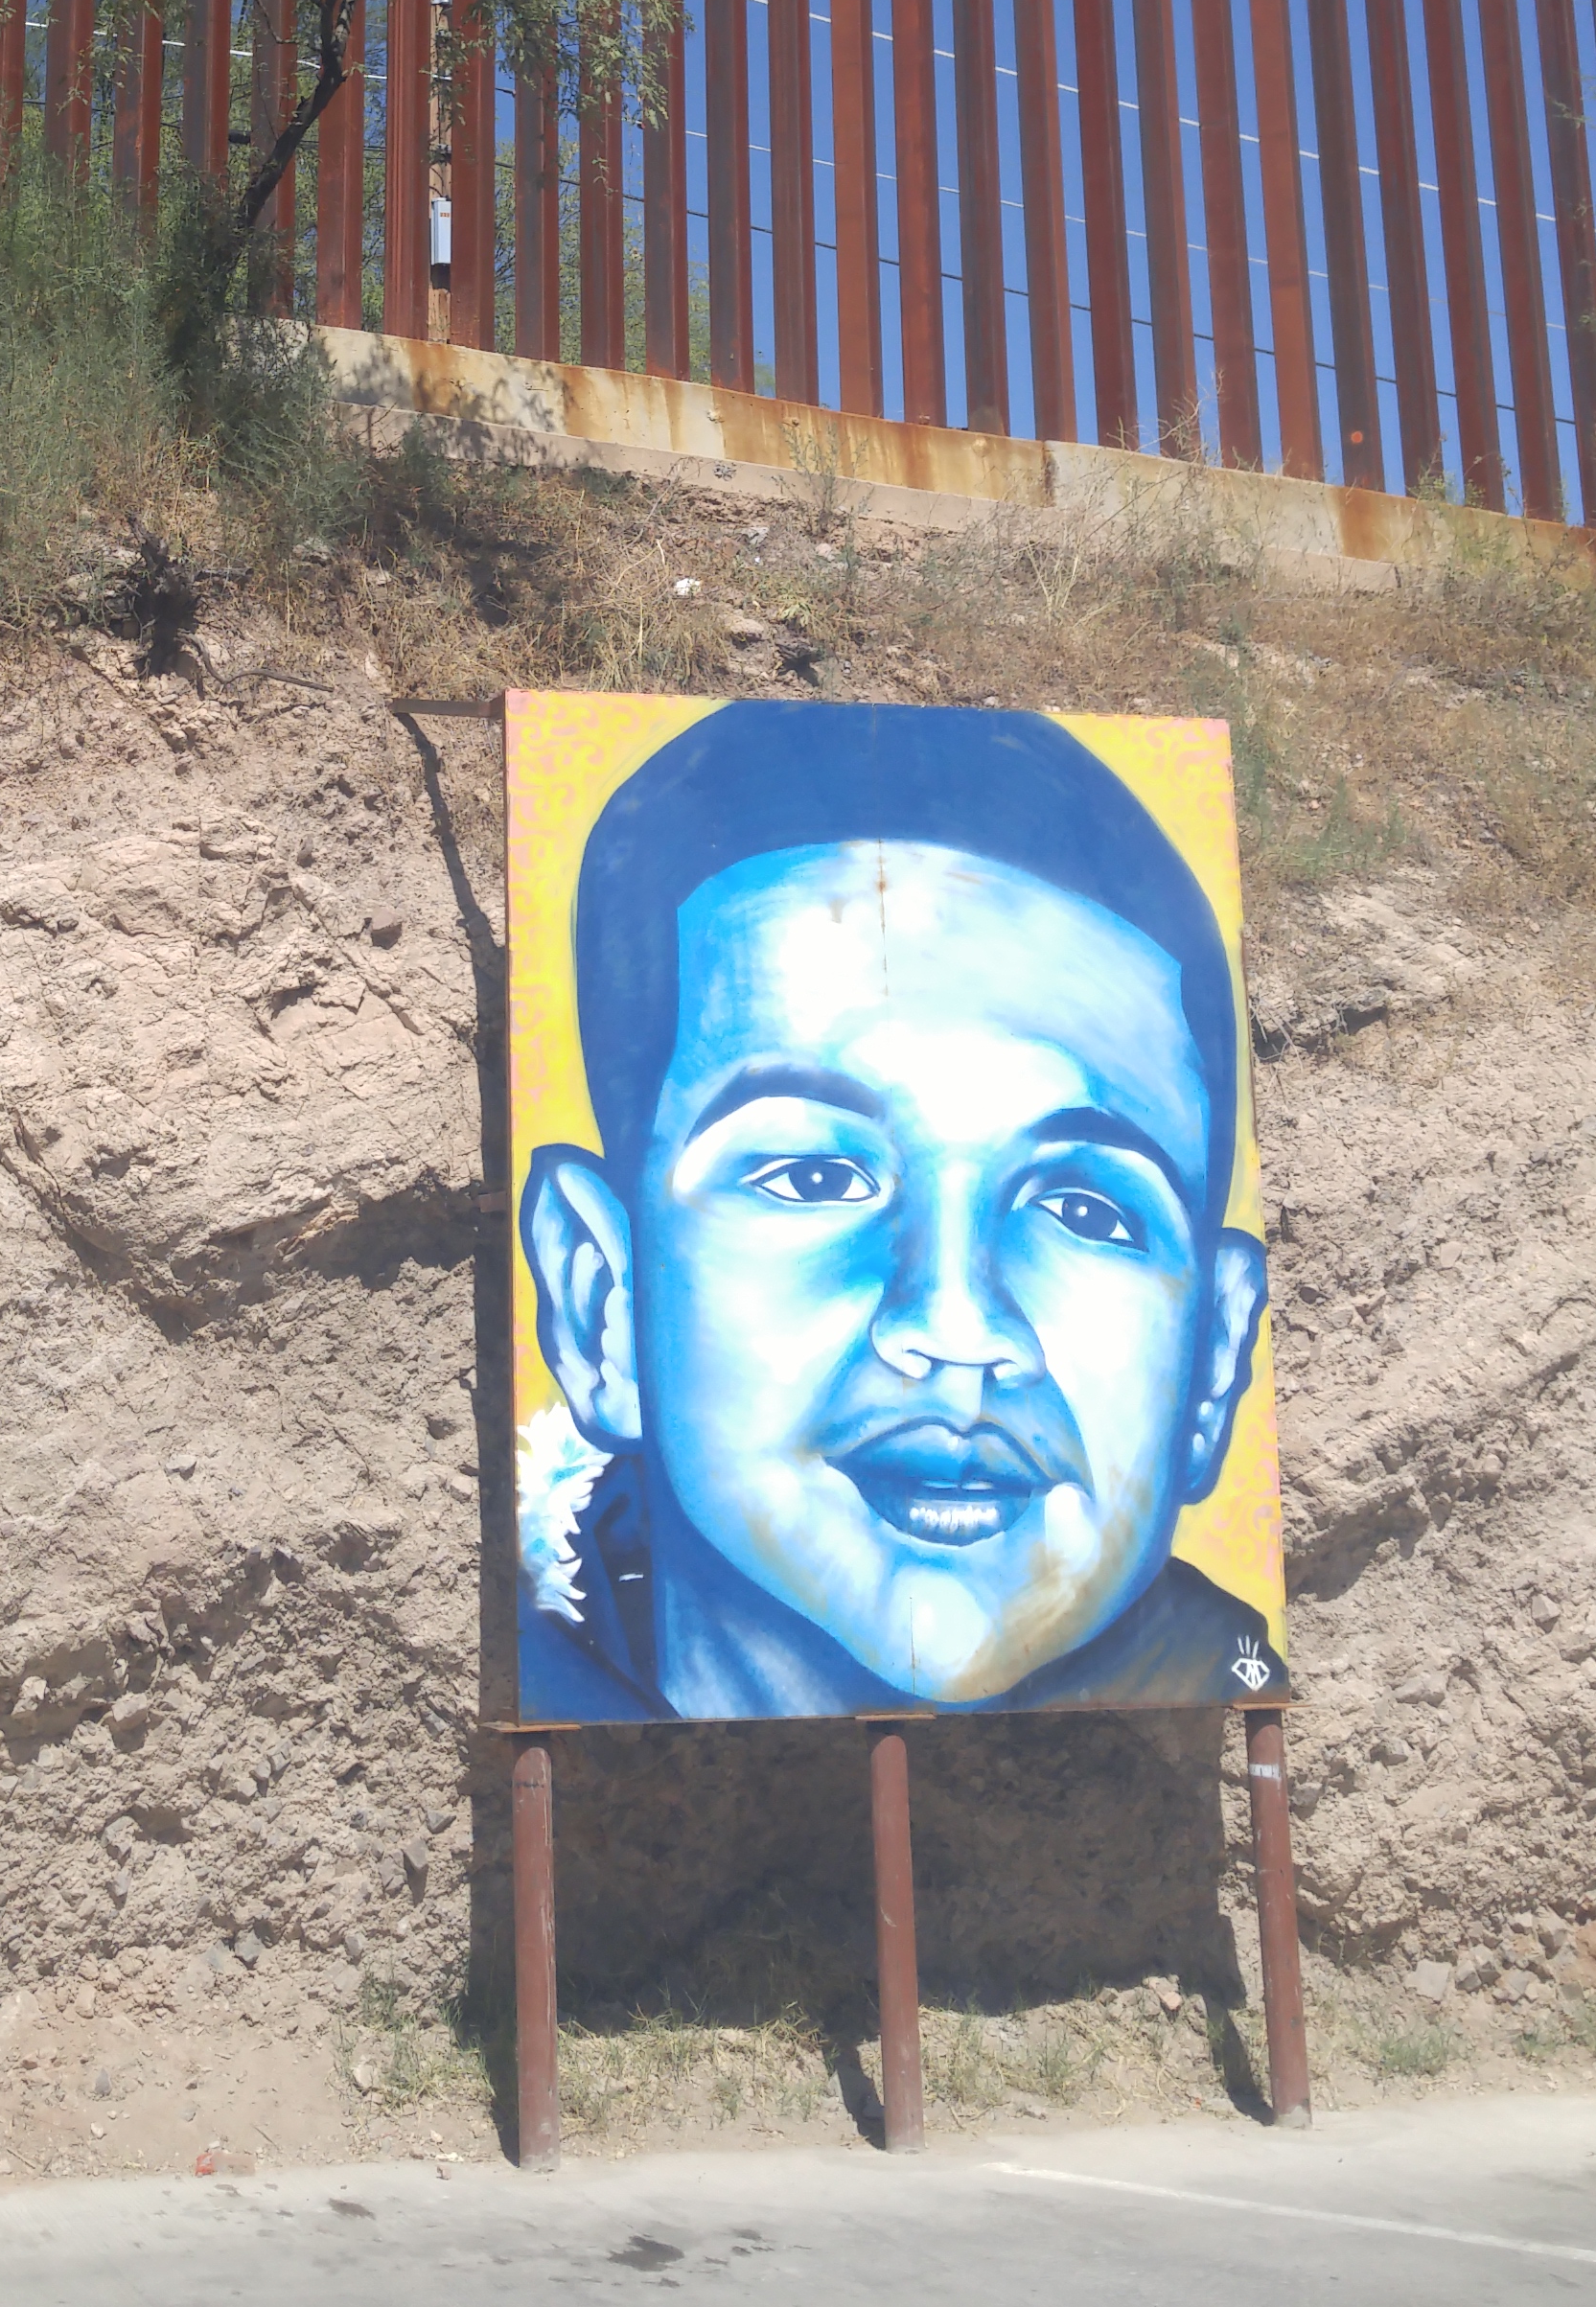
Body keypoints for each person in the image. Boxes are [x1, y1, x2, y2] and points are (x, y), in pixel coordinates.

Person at [516, 704, 1282, 1720]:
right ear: (599, 1298)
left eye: (1084, 1205)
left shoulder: (1226, 1681)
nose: (959, 1327)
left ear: (1214, 1364)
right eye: (813, 1179)